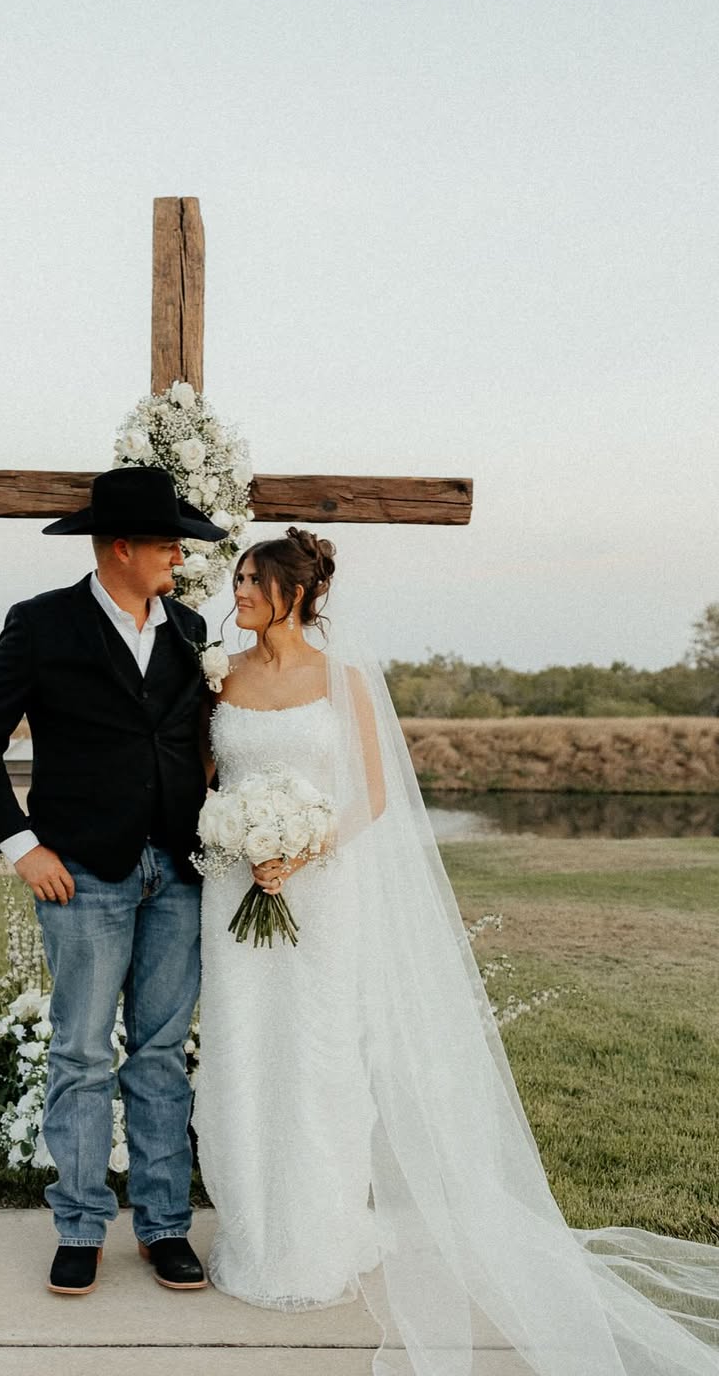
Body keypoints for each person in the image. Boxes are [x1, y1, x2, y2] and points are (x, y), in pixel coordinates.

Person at [193, 526, 719, 1374]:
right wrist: (235, 838)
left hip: (320, 893)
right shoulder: (222, 675)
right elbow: (207, 782)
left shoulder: (347, 682)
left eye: (254, 580)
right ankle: (254, 1236)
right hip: (233, 888)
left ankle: (316, 1244)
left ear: (296, 594)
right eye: (239, 579)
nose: (239, 592)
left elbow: (371, 797)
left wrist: (303, 851)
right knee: (243, 1051)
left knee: (322, 1060)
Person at [0, 466, 228, 1297]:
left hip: (179, 871)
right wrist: (21, 844)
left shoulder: (188, 626)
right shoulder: (41, 625)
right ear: (120, 548)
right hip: (81, 875)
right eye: (168, 543)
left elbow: (193, 742)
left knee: (160, 1056)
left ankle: (165, 1225)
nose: (180, 556)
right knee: (78, 1053)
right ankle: (78, 1227)